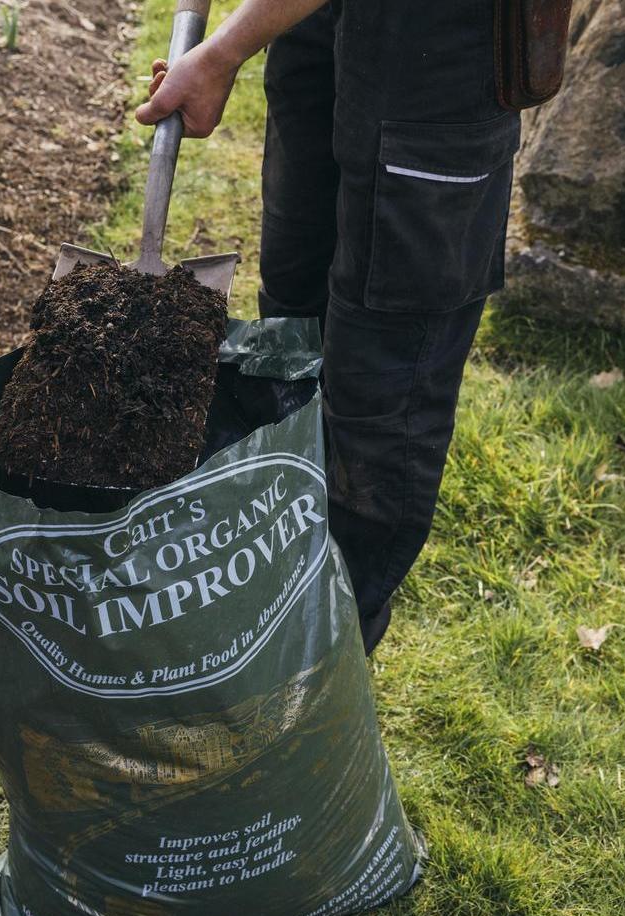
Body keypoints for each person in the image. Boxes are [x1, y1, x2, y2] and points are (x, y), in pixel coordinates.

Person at [136, 0, 521, 654]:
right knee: (293, 320)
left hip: (443, 47)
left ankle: (323, 666)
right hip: (320, 19)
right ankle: (268, 588)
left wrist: (222, 53)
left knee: (383, 389)